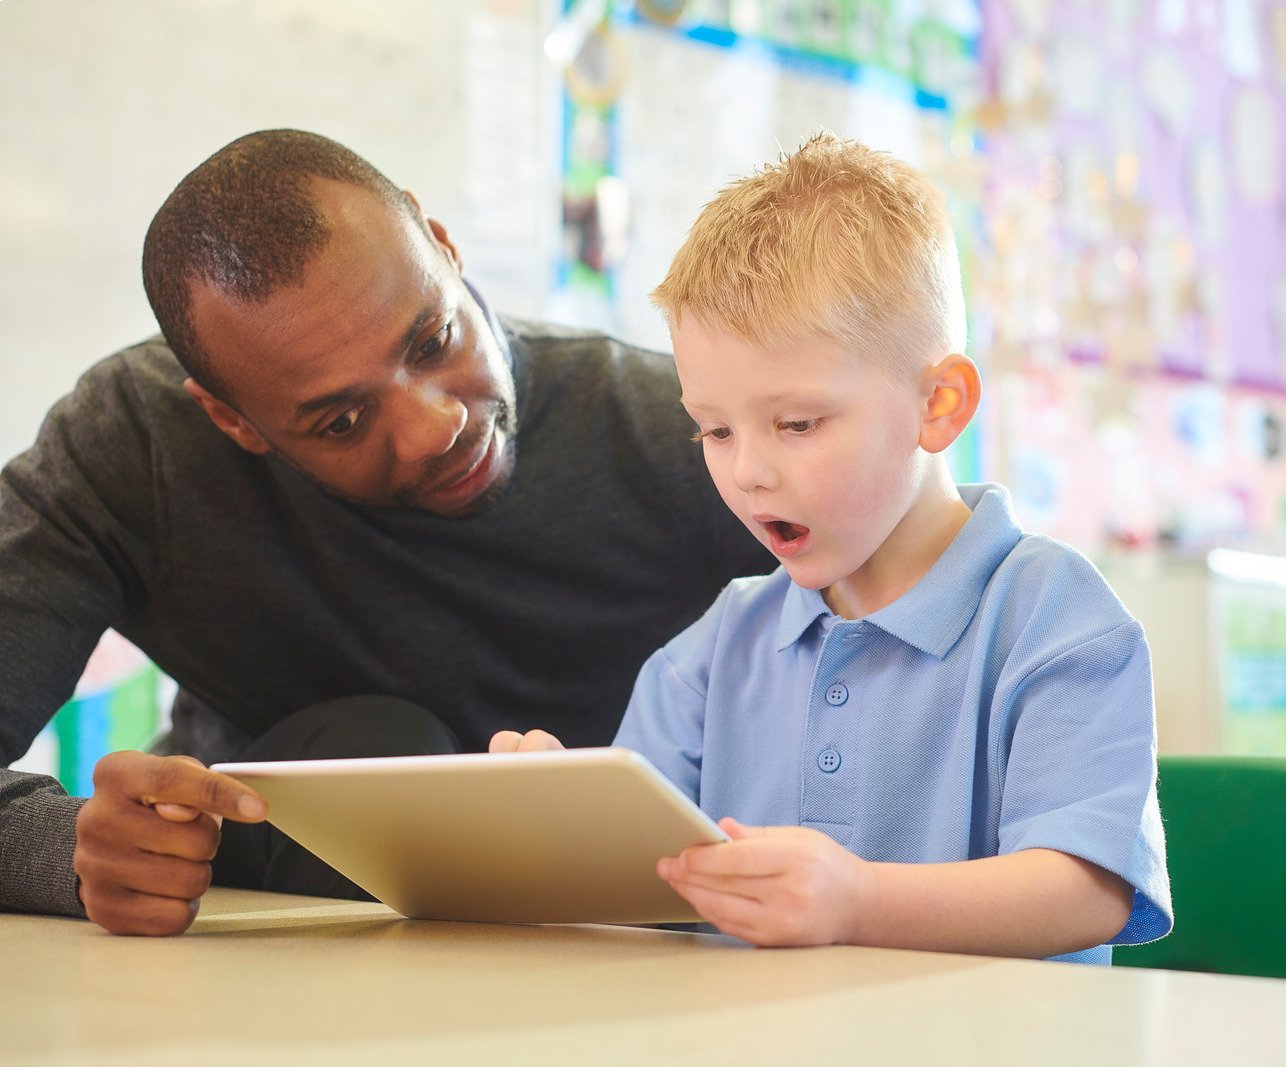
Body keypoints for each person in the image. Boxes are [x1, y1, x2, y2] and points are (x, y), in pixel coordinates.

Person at [0, 129, 771, 936]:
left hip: (617, 928)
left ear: (440, 243)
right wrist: (71, 849)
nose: (436, 427)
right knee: (376, 741)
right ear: (233, 421)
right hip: (269, 924)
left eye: (433, 341)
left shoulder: (685, 437)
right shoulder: (134, 446)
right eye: (343, 421)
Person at [492, 132, 1173, 963]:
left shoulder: (1056, 617)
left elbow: (1086, 890)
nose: (747, 471)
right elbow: (640, 881)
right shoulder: (716, 648)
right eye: (713, 430)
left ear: (939, 404)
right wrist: (554, 825)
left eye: (796, 423)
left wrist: (859, 901)